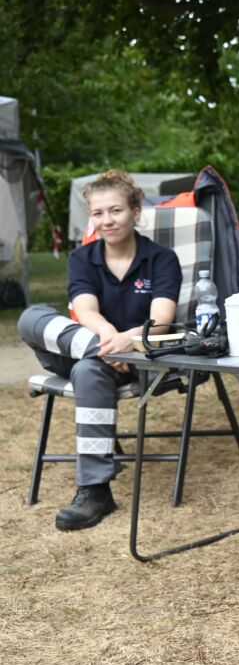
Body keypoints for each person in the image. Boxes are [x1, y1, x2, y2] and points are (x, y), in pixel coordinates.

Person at [18, 171, 183, 531]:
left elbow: (162, 322)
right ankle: (98, 353)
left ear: (136, 212)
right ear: (90, 217)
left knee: (87, 371)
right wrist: (108, 340)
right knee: (32, 316)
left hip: (139, 356)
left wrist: (127, 343)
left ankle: (95, 490)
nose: (107, 220)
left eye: (116, 211)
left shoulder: (161, 259)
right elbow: (86, 311)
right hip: (90, 346)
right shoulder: (83, 258)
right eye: (98, 213)